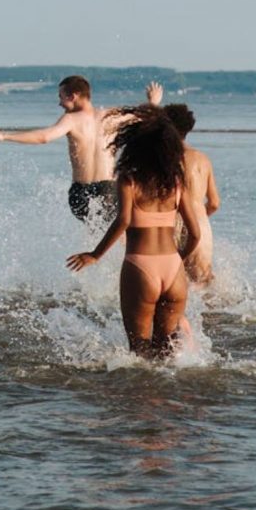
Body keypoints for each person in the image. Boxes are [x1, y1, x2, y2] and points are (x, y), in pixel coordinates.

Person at [65, 106, 203, 360]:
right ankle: (169, 398)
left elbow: (123, 220)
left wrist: (95, 255)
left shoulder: (129, 179)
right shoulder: (175, 182)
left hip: (141, 266)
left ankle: (141, 398)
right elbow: (195, 234)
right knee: (167, 350)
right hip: (173, 268)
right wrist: (178, 260)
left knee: (139, 349)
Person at [0, 76, 120, 224]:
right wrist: (147, 104)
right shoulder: (112, 116)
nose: (59, 103)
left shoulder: (70, 119)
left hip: (81, 193)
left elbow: (44, 137)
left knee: (95, 231)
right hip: (108, 190)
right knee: (116, 230)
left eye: (61, 97)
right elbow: (141, 116)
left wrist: (5, 136)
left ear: (73, 96)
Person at [161, 103, 221, 284]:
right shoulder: (203, 159)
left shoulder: (164, 159)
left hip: (172, 223)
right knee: (203, 285)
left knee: (170, 284)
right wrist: (197, 218)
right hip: (201, 225)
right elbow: (214, 203)